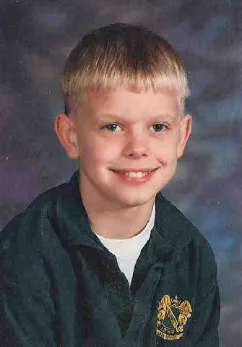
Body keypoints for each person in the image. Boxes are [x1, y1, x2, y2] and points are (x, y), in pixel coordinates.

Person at [0, 22, 220, 346]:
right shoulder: (24, 253)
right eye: (113, 126)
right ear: (70, 136)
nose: (137, 147)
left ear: (182, 137)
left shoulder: (192, 254)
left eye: (158, 126)